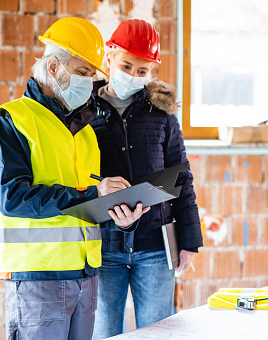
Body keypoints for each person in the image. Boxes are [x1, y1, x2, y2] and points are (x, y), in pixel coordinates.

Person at [0, 17, 148, 340]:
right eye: (82, 73)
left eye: (92, 76)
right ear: (53, 68)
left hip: (86, 279)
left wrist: (122, 218)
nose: (89, 83)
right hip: (38, 281)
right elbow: (12, 197)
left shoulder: (85, 135)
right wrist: (93, 195)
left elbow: (87, 209)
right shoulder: (9, 121)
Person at [90, 19, 203, 338]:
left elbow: (182, 178)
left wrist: (189, 240)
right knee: (104, 332)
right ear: (109, 57)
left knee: (157, 332)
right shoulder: (85, 111)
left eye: (142, 71)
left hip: (155, 245)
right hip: (104, 245)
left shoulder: (162, 114)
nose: (133, 76)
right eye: (127, 66)